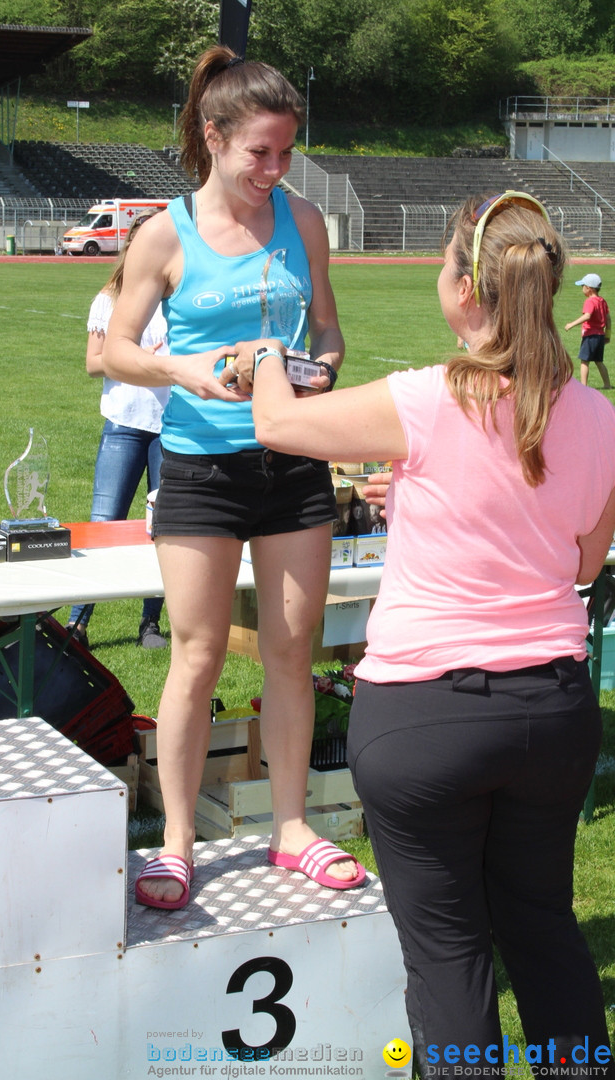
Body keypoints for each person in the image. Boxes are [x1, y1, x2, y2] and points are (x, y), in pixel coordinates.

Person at [246, 192, 615, 1075]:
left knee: (450, 953)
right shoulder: (599, 416)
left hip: (423, 713)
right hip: (551, 710)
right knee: (543, 930)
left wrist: (265, 355)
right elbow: (581, 564)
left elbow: (276, 423)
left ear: (463, 290)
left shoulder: (423, 400)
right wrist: (417, 492)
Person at [103, 45, 366, 910]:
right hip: (199, 466)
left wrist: (318, 369)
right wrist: (185, 369)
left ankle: (291, 829)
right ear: (213, 137)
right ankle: (176, 844)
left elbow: (328, 333)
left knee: (293, 656)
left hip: (293, 461)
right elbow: (108, 350)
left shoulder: (304, 223)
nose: (277, 169)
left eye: (287, 152)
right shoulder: (164, 232)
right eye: (261, 152)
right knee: (198, 655)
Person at [67, 209, 170, 651]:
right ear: (132, 247)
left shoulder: (178, 299)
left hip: (173, 430)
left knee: (165, 529)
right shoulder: (109, 299)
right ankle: (77, 623)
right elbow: (92, 363)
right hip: (124, 426)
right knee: (103, 524)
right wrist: (138, 359)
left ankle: (151, 623)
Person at [565, 271, 612, 389]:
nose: (582, 289)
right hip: (600, 335)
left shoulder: (590, 301)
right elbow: (608, 319)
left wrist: (571, 324)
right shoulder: (602, 301)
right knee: (598, 361)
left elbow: (587, 316)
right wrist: (607, 335)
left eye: (583, 287)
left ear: (589, 288)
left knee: (584, 361)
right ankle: (607, 384)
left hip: (590, 335)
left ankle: (583, 386)